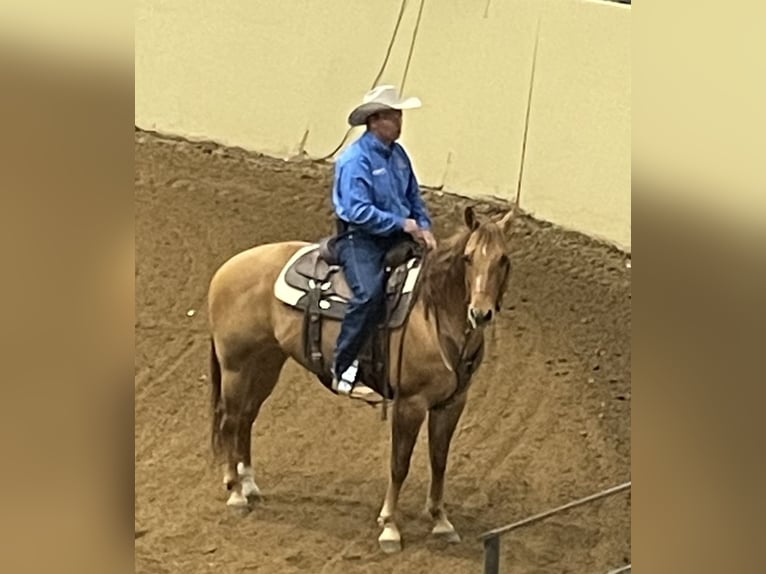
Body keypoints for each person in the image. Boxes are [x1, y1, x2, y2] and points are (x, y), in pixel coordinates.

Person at [331, 85, 437, 402]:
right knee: (368, 294)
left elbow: (413, 198)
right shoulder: (355, 160)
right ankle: (343, 366)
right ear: (375, 120)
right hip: (359, 238)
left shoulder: (399, 156)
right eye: (394, 115)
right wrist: (401, 223)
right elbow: (356, 210)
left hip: (398, 236)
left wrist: (425, 227)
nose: (400, 121)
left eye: (400, 115)